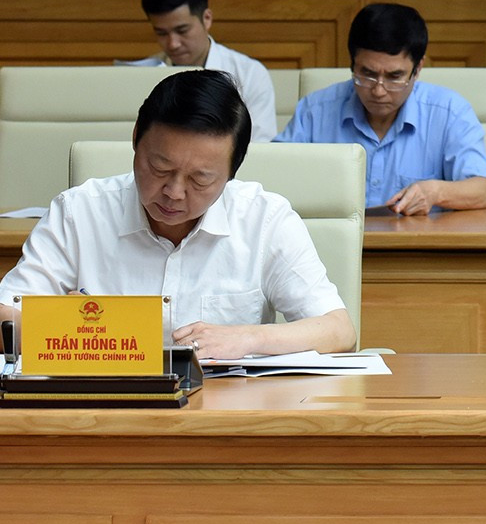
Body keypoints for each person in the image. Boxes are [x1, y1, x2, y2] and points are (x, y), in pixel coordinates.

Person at [0, 70, 354, 358]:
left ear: (232, 171)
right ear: (136, 138)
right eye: (159, 167)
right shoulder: (80, 212)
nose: (174, 192)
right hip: (106, 413)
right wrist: (78, 330)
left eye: (201, 179)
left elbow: (338, 330)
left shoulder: (265, 219)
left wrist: (247, 339)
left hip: (226, 419)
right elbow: (5, 317)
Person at [277, 3, 486, 215]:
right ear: (352, 64)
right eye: (367, 74)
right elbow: (271, 174)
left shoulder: (449, 112)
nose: (378, 91)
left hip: (417, 247)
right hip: (328, 247)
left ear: (417, 69)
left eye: (394, 77)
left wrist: (435, 192)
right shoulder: (315, 111)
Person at [127, 0, 278, 141]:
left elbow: (261, 147)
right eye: (161, 33)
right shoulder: (143, 75)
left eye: (182, 30)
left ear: (207, 19)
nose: (173, 44)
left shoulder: (249, 74)